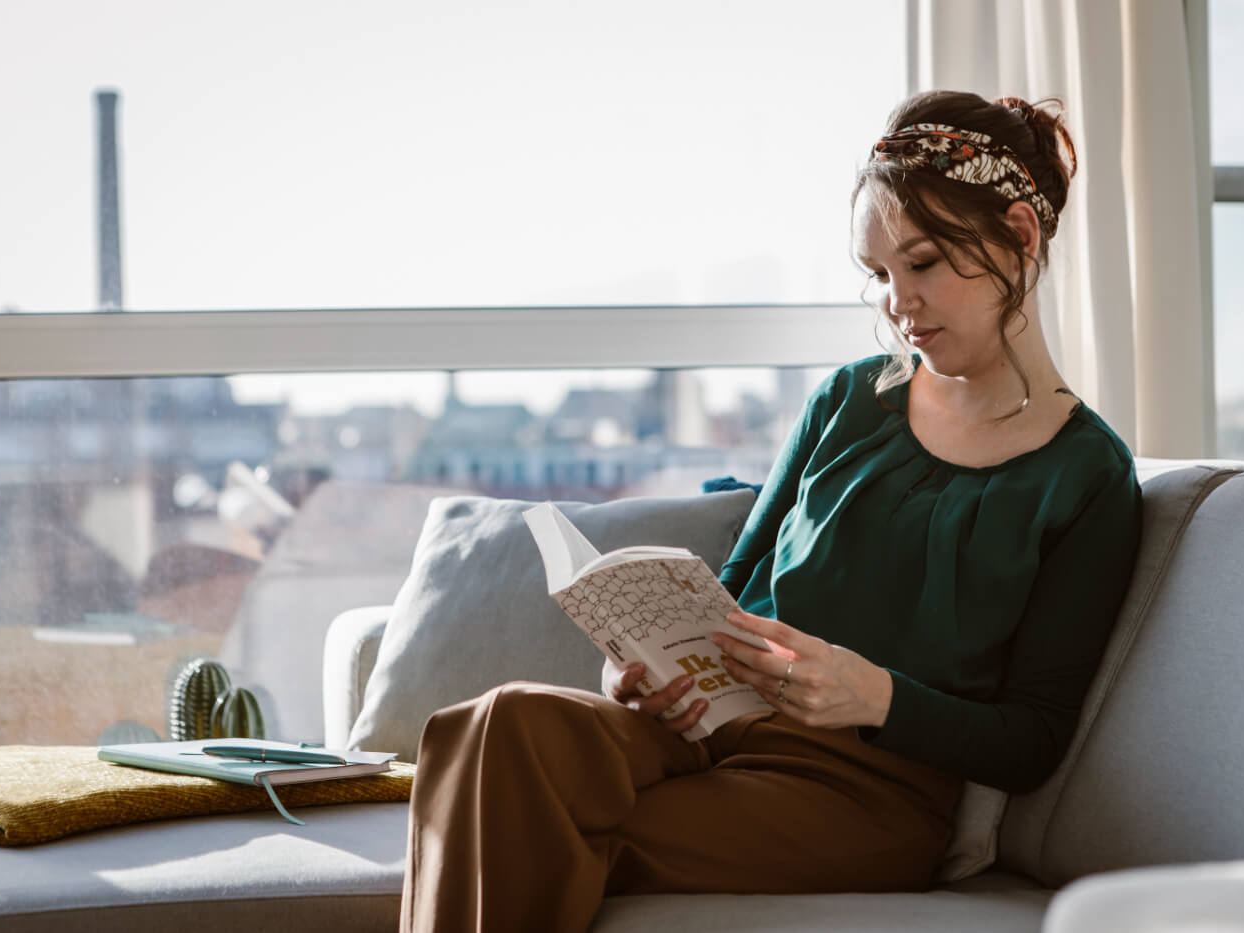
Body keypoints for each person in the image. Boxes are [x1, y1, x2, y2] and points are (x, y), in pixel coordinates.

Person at [399, 90, 1143, 932]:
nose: (900, 305)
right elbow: (737, 584)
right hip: (710, 726)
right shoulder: (850, 401)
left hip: (862, 791)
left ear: (1019, 234)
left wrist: (876, 695)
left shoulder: (1087, 476)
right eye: (881, 276)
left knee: (519, 819)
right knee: (496, 724)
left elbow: (1034, 737)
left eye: (925, 262)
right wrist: (644, 670)